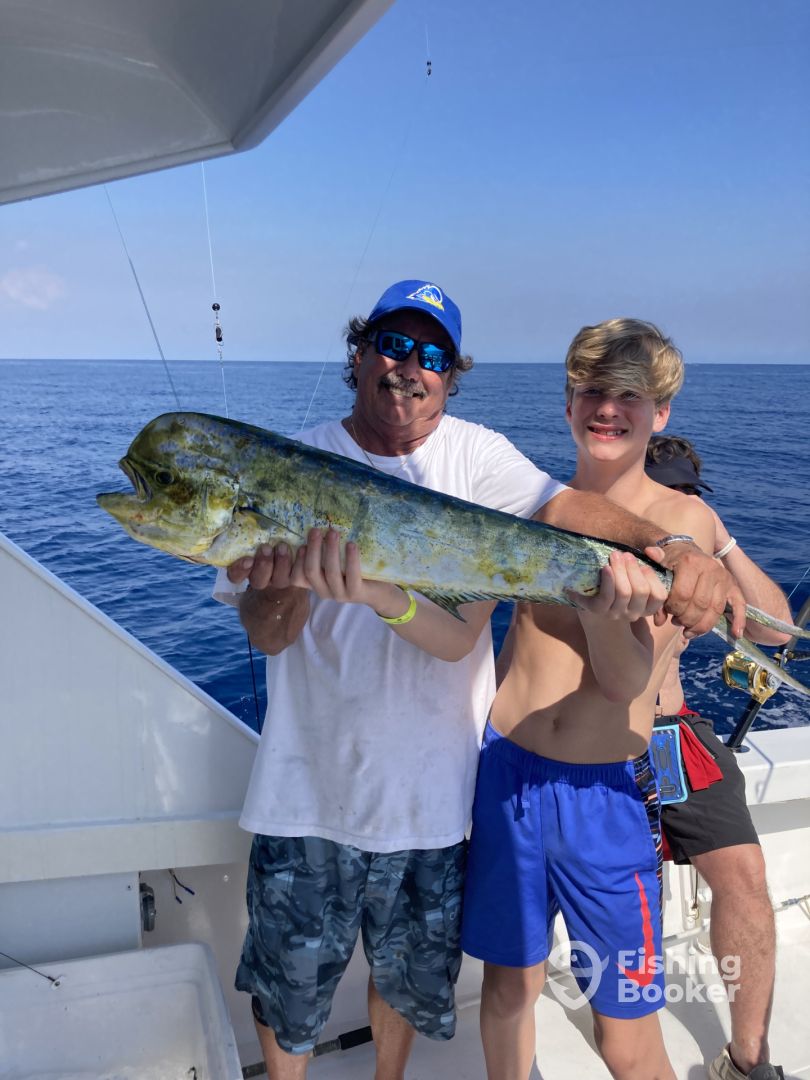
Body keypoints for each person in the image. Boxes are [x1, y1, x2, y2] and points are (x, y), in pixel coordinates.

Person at [216, 285, 742, 1080]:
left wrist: (672, 546)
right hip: (306, 793)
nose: (410, 367)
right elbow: (268, 633)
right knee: (288, 996)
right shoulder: (292, 463)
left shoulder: (480, 458)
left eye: (432, 355)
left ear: (450, 376)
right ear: (360, 353)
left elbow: (564, 510)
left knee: (403, 982)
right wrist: (285, 581)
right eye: (394, 344)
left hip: (435, 799)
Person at [461, 318, 726, 1080]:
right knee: (508, 990)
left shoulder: (683, 529)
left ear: (661, 412)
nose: (607, 408)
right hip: (505, 775)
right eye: (591, 391)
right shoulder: (534, 500)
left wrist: (606, 609)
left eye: (629, 395)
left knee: (626, 1034)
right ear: (568, 404)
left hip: (604, 798)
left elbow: (625, 682)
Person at [646, 434, 790, 1080]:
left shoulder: (700, 555)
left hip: (672, 733)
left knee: (745, 876)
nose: (677, 503)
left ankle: (748, 1059)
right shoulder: (606, 533)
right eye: (666, 492)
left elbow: (775, 632)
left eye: (688, 494)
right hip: (596, 743)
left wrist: (719, 540)